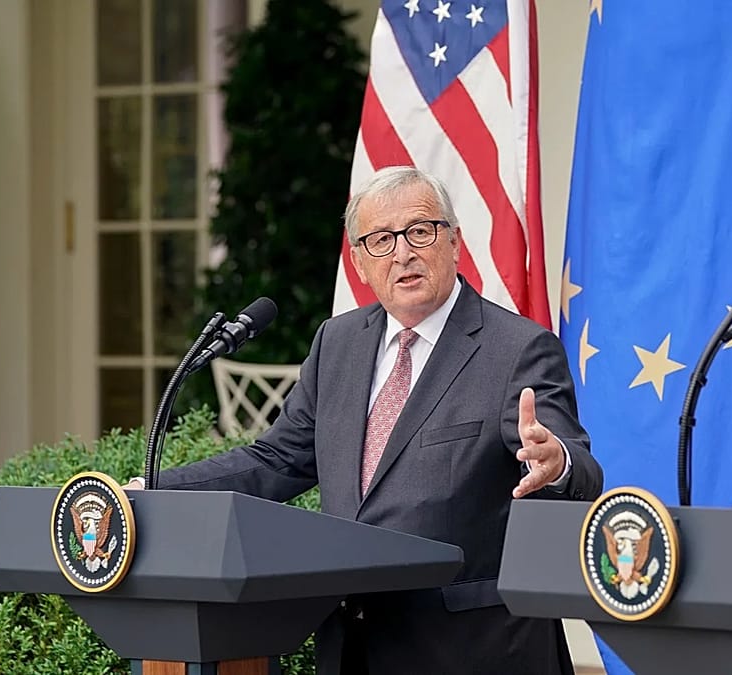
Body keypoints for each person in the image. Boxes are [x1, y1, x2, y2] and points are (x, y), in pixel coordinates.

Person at [129, 166, 603, 674]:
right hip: (353, 645)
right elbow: (278, 459)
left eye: (420, 231)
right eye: (380, 240)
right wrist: (152, 490)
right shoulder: (337, 342)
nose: (403, 253)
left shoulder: (518, 348)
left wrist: (556, 463)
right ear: (359, 262)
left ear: (454, 242)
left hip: (472, 650)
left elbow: (579, 468)